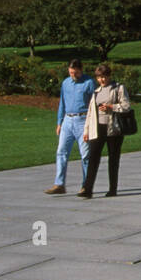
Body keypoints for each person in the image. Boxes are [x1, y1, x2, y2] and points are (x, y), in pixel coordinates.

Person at [80, 63, 132, 199]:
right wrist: (86, 131)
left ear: (109, 76)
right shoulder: (96, 92)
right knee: (93, 158)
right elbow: (90, 112)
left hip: (113, 128)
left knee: (113, 158)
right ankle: (87, 189)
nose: (101, 80)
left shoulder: (118, 88)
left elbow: (126, 106)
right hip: (98, 128)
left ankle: (112, 189)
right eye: (99, 77)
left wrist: (111, 107)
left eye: (104, 77)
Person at [48, 59, 95, 194]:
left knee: (85, 155)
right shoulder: (65, 83)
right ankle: (59, 184)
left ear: (81, 70)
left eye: (76, 73)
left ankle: (86, 186)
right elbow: (62, 103)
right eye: (71, 72)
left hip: (83, 120)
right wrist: (59, 122)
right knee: (61, 152)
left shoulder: (89, 83)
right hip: (67, 121)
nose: (73, 75)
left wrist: (91, 124)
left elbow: (94, 104)